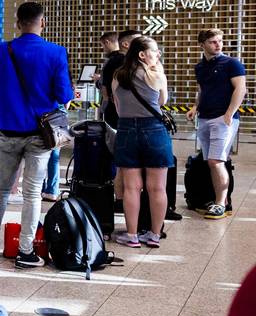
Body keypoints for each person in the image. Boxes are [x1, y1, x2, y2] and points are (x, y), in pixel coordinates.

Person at [0, 2, 73, 269]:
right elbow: (63, 95)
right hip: (39, 135)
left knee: (1, 188)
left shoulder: (0, 50)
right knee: (32, 193)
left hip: (8, 130)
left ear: (17, 22)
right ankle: (25, 250)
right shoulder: (56, 52)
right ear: (42, 23)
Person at [111, 35, 174, 248]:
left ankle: (132, 235)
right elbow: (162, 102)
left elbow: (118, 108)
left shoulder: (118, 75)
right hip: (154, 130)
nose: (158, 55)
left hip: (127, 129)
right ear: (142, 54)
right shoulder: (157, 76)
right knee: (157, 188)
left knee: (131, 187)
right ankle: (155, 234)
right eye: (155, 51)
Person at [189, 28, 247, 220]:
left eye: (220, 41)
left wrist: (230, 113)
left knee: (216, 160)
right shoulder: (200, 67)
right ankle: (216, 200)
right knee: (211, 161)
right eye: (213, 41)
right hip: (205, 118)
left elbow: (241, 88)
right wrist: (195, 107)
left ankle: (221, 203)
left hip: (223, 119)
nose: (218, 44)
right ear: (202, 44)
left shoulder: (232, 63)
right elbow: (202, 91)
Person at [99, 29, 138, 129]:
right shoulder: (122, 61)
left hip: (118, 109)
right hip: (120, 111)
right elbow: (106, 90)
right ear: (126, 44)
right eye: (137, 42)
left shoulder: (116, 60)